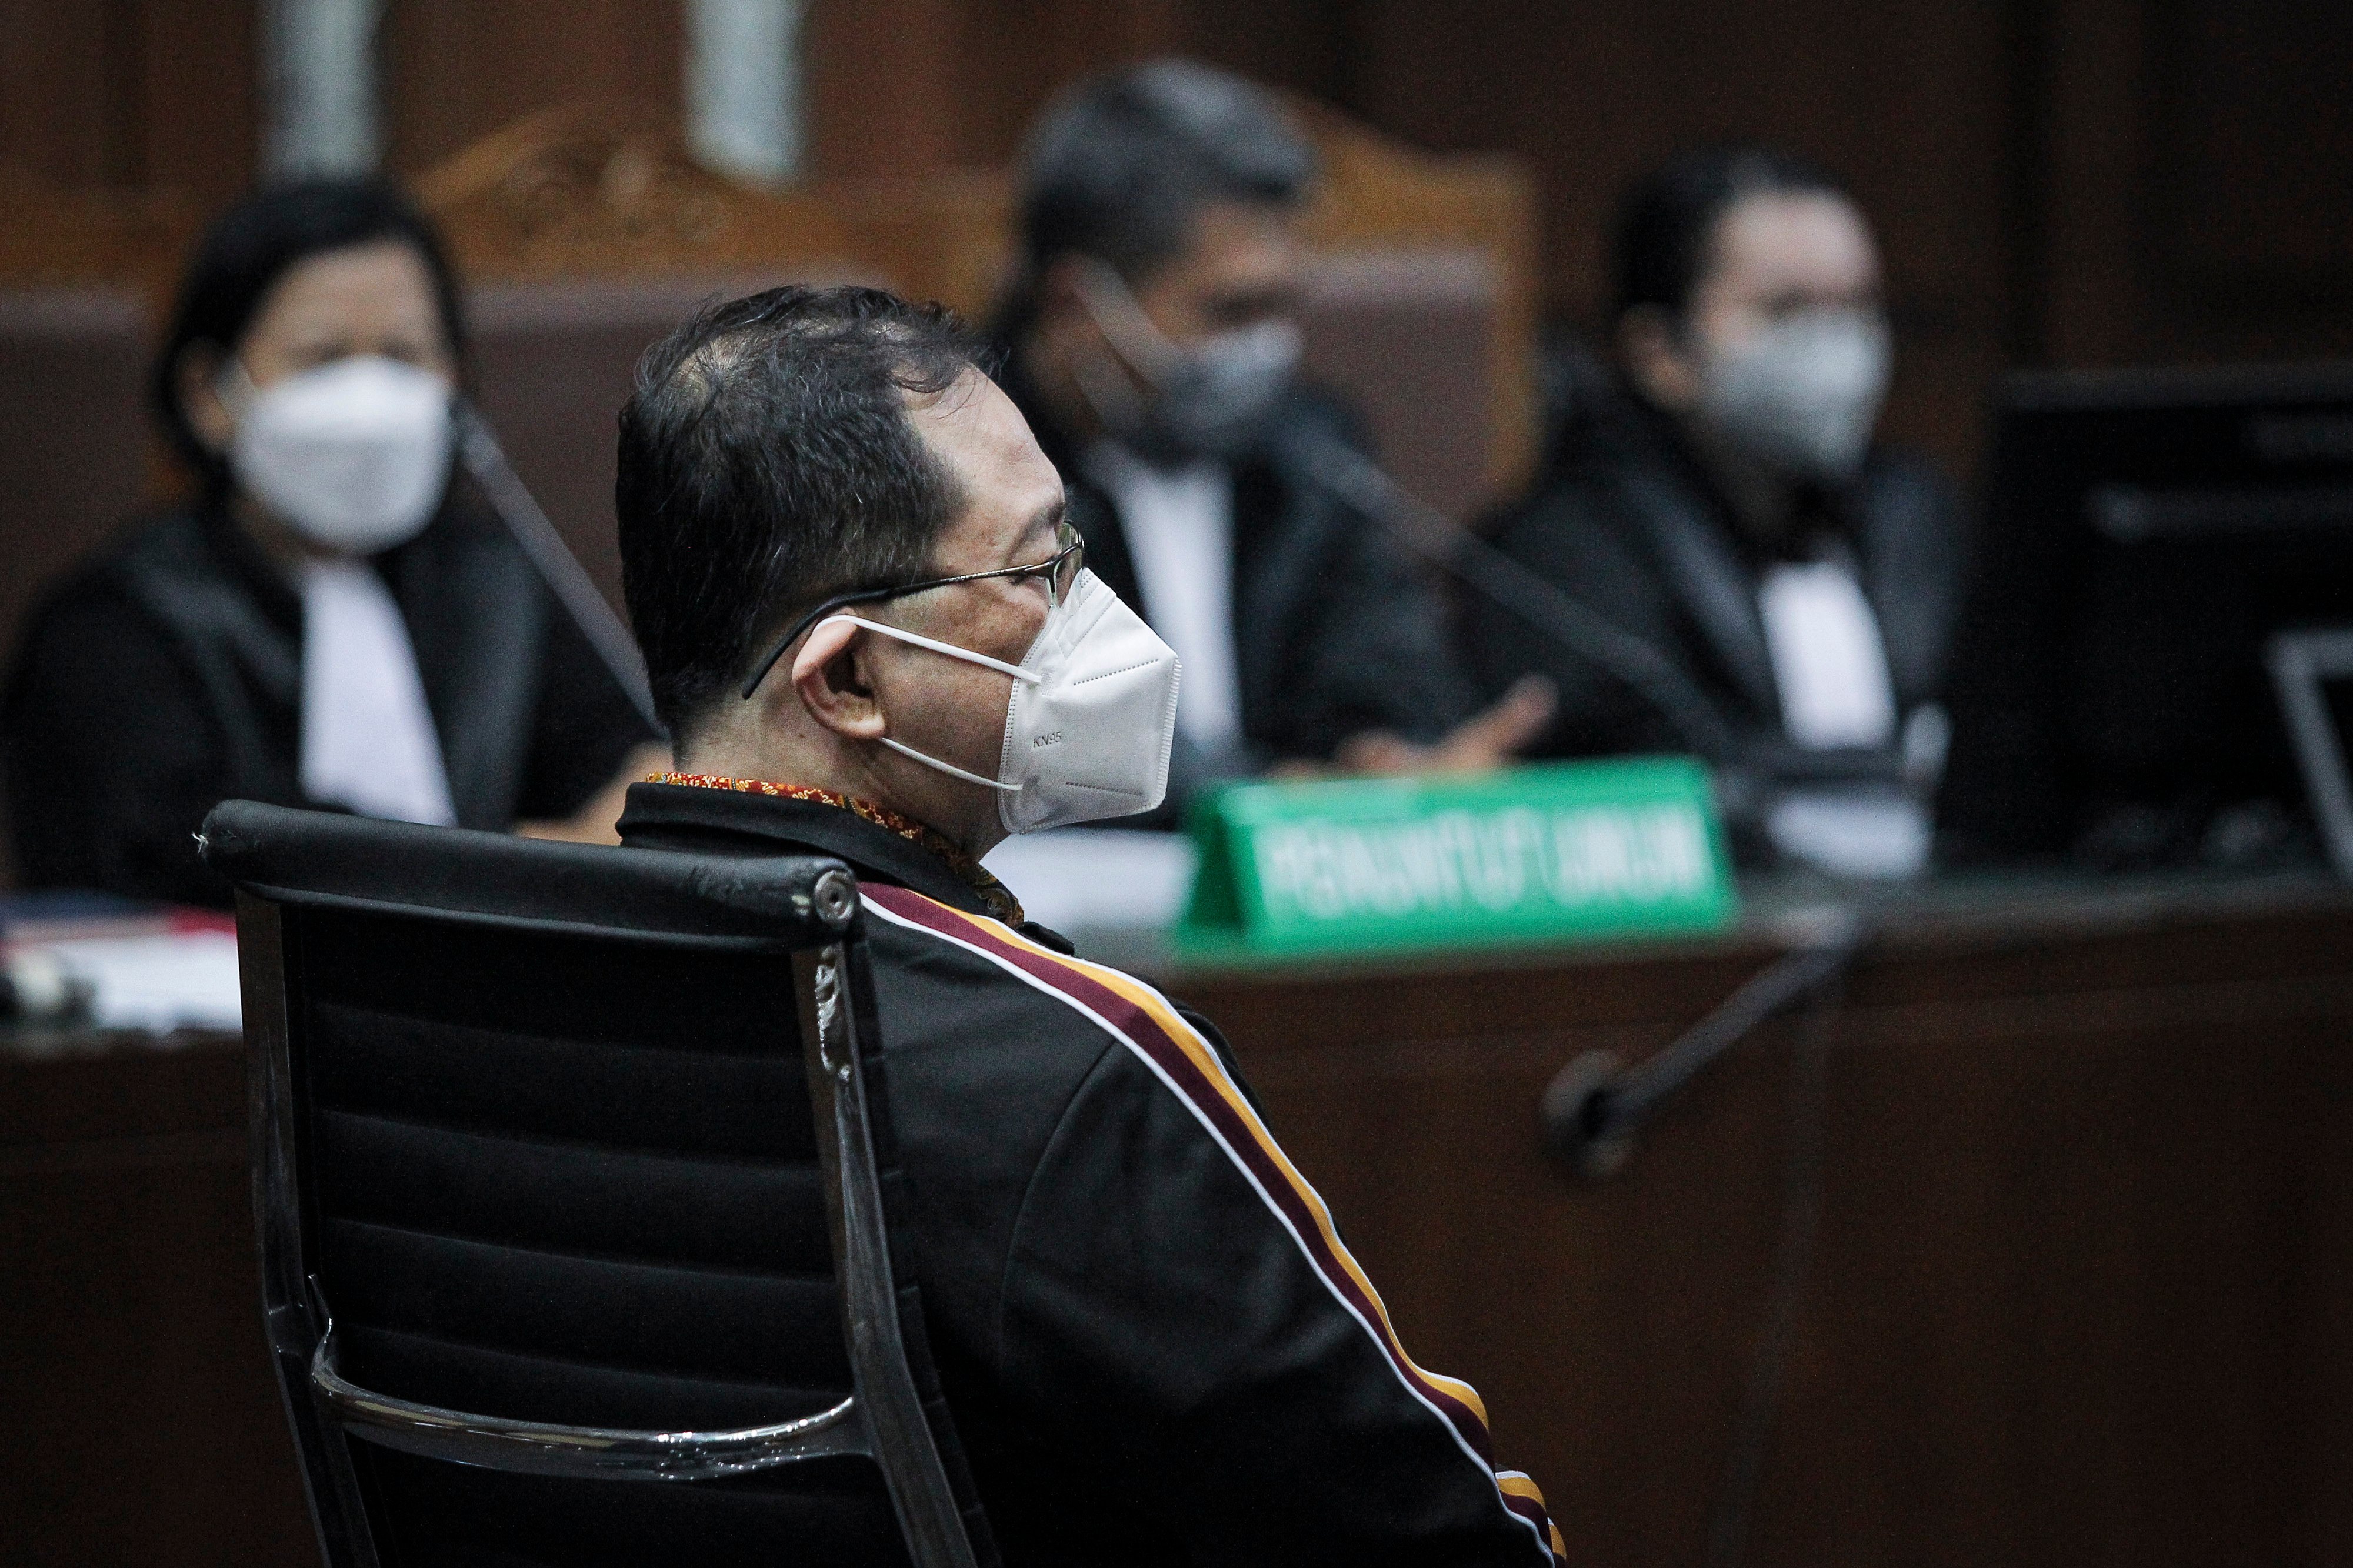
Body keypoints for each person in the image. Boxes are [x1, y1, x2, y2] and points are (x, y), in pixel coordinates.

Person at [612, 283, 1564, 1566]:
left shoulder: (486, 988)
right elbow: (1425, 1530)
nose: (1091, 612)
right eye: (1040, 563)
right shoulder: (1066, 1062)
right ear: (846, 677)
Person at [1, 180, 665, 905]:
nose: (369, 394)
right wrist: (513, 862)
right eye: (322, 356)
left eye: (404, 354)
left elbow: (628, 775)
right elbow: (174, 853)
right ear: (207, 394)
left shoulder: (493, 584)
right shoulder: (117, 619)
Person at [991, 59, 1552, 820]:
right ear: (1076, 304)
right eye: (1231, 310)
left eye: (1282, 304)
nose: (1267, 346)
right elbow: (1027, 737)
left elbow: (1385, 666)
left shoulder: (1309, 447)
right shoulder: (966, 470)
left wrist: (1387, 754)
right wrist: (1260, 797)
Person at [1467, 147, 1964, 876]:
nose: (1837, 347)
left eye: (1857, 306)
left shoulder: (1912, 512)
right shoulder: (1566, 546)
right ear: (1660, 350)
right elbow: (1635, 789)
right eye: (1784, 310)